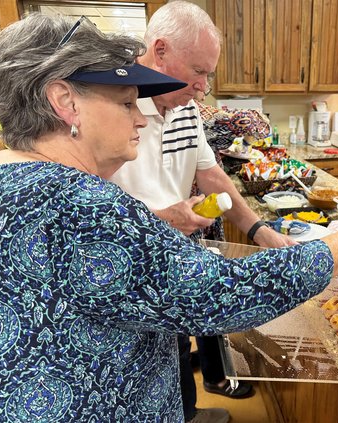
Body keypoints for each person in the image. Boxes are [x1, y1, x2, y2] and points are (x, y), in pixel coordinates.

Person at [0, 12, 338, 423]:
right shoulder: (81, 203)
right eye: (124, 103)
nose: (139, 118)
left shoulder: (0, 176)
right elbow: (227, 296)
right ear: (64, 102)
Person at [109, 3, 294, 421]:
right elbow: (91, 213)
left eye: (208, 74)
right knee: (152, 372)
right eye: (198, 71)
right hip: (129, 270)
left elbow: (212, 175)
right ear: (159, 51)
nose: (203, 86)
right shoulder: (113, 108)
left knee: (176, 355)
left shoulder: (186, 108)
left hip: (173, 255)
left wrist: (259, 229)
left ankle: (188, 411)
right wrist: (162, 218)